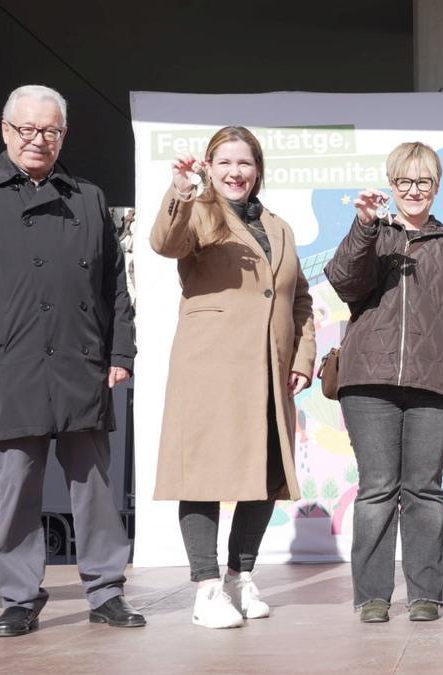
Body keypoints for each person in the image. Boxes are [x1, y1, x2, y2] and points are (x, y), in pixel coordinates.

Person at [0, 84, 143, 637]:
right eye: (27, 129)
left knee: (96, 492)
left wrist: (120, 350)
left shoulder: (89, 197)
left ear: (63, 135)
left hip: (82, 364)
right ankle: (20, 598)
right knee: (17, 494)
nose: (38, 139)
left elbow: (115, 285)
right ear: (6, 131)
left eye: (50, 130)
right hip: (10, 368)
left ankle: (107, 591)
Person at [324, 142, 443, 623]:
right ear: (391, 184)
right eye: (404, 180)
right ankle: (373, 597)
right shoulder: (374, 235)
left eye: (424, 181)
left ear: (437, 186)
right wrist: (364, 226)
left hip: (435, 382)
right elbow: (344, 281)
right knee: (377, 488)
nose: (414, 190)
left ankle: (425, 594)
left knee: (424, 488)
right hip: (368, 380)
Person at [151, 126, 316, 628]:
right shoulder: (198, 211)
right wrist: (181, 191)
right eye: (224, 162)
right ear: (208, 166)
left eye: (244, 163)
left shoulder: (279, 227)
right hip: (211, 367)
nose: (235, 172)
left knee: (264, 476)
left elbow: (299, 299)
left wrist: (301, 358)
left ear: (258, 170)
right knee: (202, 475)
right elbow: (165, 242)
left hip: (269, 369)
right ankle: (205, 590)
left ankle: (238, 577)